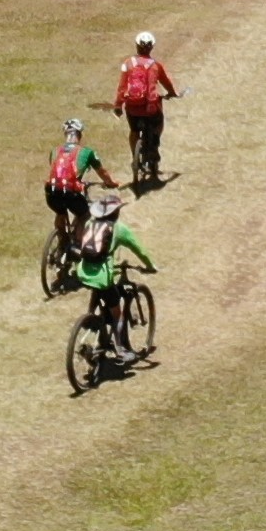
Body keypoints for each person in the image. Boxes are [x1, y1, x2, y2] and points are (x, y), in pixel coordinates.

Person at [74, 193, 155, 362]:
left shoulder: (90, 223)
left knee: (99, 293)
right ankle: (120, 349)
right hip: (103, 276)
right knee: (117, 313)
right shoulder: (118, 229)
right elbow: (139, 250)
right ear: (115, 213)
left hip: (83, 271)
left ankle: (92, 320)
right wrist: (150, 266)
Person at [112, 30, 179, 185]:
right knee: (158, 122)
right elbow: (166, 82)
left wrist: (118, 105)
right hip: (150, 108)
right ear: (151, 48)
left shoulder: (127, 64)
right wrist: (172, 93)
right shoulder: (155, 66)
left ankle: (134, 158)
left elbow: (122, 87)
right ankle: (154, 143)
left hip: (132, 107)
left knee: (134, 130)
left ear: (137, 46)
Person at [46, 116, 120, 257]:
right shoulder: (87, 152)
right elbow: (102, 172)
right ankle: (76, 245)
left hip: (51, 191)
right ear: (79, 134)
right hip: (70, 191)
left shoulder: (55, 151)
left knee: (60, 212)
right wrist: (110, 183)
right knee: (84, 214)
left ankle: (62, 239)